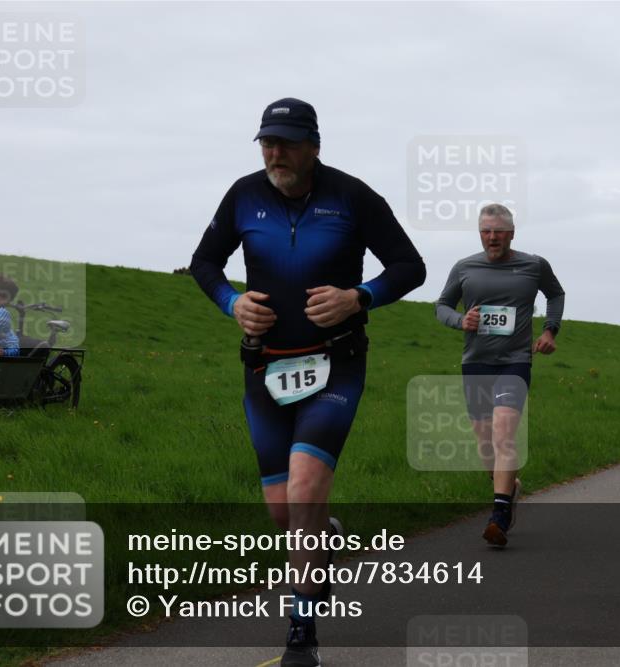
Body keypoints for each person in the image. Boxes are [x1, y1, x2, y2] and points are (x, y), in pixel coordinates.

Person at [189, 97, 425, 667]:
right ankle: (327, 537)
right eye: (267, 142)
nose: (275, 152)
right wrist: (232, 302)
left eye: (287, 142)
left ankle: (301, 633)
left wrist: (358, 297)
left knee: (302, 490)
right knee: (284, 512)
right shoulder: (243, 195)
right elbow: (203, 263)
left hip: (334, 364)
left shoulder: (353, 196)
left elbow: (409, 267)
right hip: (264, 367)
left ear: (314, 146)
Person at [436, 203, 565, 547]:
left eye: (498, 231)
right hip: (475, 362)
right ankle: (510, 487)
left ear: (511, 233)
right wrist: (460, 321)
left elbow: (556, 293)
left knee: (504, 431)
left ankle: (499, 514)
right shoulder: (464, 267)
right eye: (486, 231)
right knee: (484, 438)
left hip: (516, 361)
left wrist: (550, 330)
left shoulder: (533, 265)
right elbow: (442, 305)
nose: (492, 237)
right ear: (480, 233)